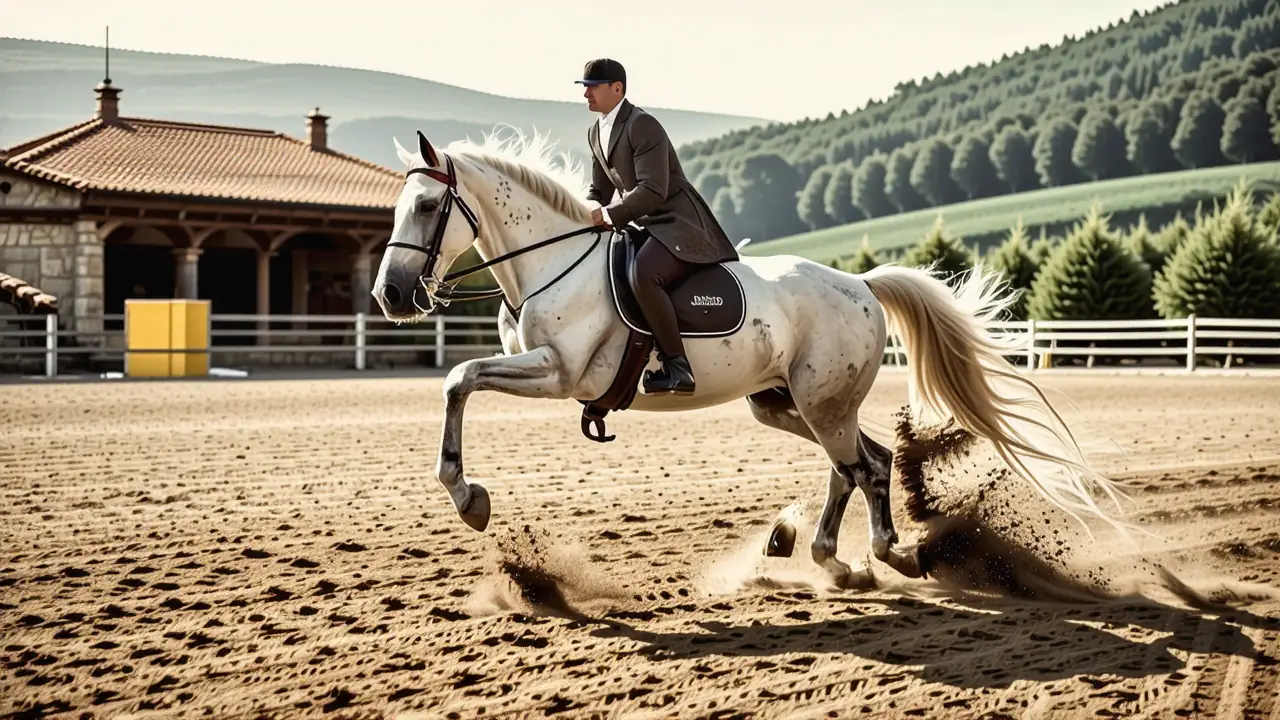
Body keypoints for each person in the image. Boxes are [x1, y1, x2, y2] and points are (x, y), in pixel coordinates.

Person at [576, 58, 739, 396]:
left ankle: (678, 367)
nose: (586, 93)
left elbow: (653, 190)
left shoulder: (642, 124)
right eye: (584, 87)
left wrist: (608, 216)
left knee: (644, 274)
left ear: (616, 88)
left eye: (592, 86)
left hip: (677, 223)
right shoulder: (595, 132)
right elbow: (598, 191)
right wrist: (587, 210)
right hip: (642, 224)